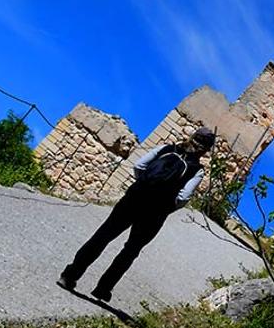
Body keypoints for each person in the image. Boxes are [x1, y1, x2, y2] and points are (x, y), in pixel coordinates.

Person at [57, 126, 215, 302]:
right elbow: (184, 197)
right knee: (131, 250)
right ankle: (103, 289)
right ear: (206, 150)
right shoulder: (197, 170)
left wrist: (142, 184)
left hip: (134, 197)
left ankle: (70, 275)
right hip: (156, 212)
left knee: (103, 235)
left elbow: (139, 165)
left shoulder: (166, 149)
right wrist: (167, 206)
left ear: (192, 136)